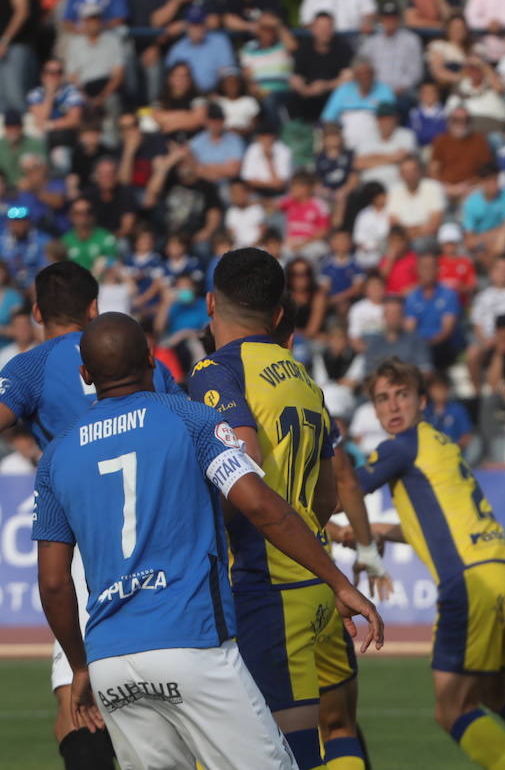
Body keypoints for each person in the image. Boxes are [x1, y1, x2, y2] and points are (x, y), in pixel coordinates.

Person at [35, 312, 382, 770]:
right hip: (192, 644)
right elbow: (262, 506)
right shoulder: (190, 418)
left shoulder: (56, 455)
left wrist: (80, 666)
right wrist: (337, 581)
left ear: (85, 374)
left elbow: (54, 583)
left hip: (110, 661)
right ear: (152, 360)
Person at [352, 358, 505, 770]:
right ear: (374, 408)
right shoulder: (440, 445)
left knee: (452, 709)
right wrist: (370, 532)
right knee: (497, 695)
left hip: (472, 586)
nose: (393, 406)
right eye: (383, 398)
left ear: (422, 400)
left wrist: (343, 523)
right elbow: (431, 527)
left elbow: (346, 490)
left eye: (402, 395)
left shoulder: (399, 446)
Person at [0, 262, 182, 770]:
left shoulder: (30, 366)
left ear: (38, 312)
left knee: (77, 713)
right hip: (162, 544)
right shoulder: (143, 360)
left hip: (89, 547)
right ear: (95, 308)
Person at [188, 248, 364, 769]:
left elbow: (243, 465)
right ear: (279, 313)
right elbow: (327, 497)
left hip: (263, 587)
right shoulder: (304, 380)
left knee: (267, 754)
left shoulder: (216, 370)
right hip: (310, 581)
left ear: (211, 303)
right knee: (306, 743)